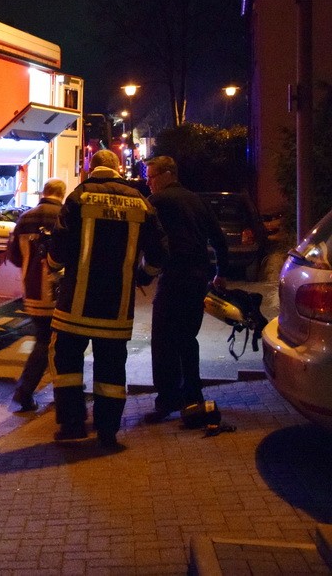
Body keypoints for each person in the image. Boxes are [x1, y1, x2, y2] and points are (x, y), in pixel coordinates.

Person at [47, 149, 168, 449]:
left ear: (91, 167)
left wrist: (51, 264)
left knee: (67, 365)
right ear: (117, 169)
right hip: (116, 310)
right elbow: (159, 254)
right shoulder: (140, 203)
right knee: (111, 372)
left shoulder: (78, 198)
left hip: (75, 306)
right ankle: (107, 433)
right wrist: (142, 276)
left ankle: (73, 425)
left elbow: (58, 247)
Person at [141, 156, 229, 423]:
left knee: (164, 340)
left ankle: (167, 400)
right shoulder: (196, 200)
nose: (148, 182)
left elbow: (146, 240)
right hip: (198, 278)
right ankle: (193, 397)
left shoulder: (157, 202)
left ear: (167, 175)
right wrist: (220, 273)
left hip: (174, 277)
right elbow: (219, 239)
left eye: (151, 177)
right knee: (188, 340)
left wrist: (142, 274)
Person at [6, 178, 67, 412]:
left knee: (44, 340)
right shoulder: (64, 216)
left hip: (31, 292)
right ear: (62, 194)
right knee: (54, 344)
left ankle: (32, 391)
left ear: (45, 192)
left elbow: (13, 255)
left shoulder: (25, 218)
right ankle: (27, 391)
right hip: (58, 293)